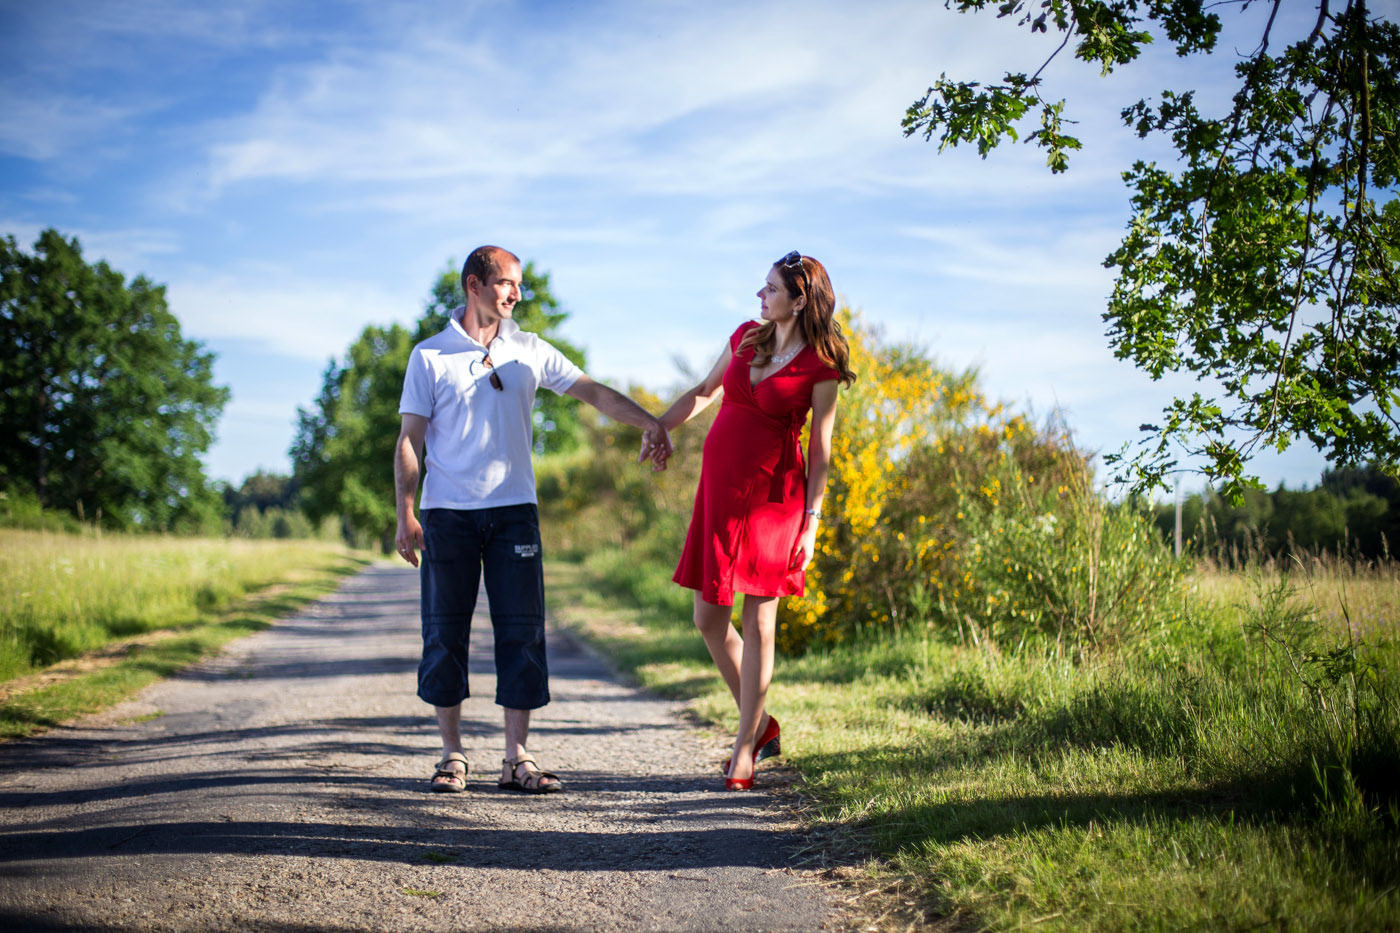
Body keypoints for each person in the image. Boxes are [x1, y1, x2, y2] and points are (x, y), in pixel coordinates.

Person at [394, 245, 671, 795]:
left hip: (514, 511)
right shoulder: (429, 355)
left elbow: (591, 391)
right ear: (474, 285)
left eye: (519, 284)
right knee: (444, 634)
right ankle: (451, 755)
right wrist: (405, 512)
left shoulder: (529, 350)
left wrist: (650, 421)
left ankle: (516, 758)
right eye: (507, 283)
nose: (516, 294)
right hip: (447, 513)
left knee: (522, 633)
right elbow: (410, 438)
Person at [653, 251, 855, 790]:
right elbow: (704, 391)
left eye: (770, 289)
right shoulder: (746, 337)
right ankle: (762, 724)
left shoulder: (821, 367)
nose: (760, 296)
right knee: (707, 619)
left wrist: (812, 523)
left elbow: (821, 450)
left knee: (760, 622)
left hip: (775, 500)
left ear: (800, 300)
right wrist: (660, 425)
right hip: (719, 496)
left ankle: (745, 745)